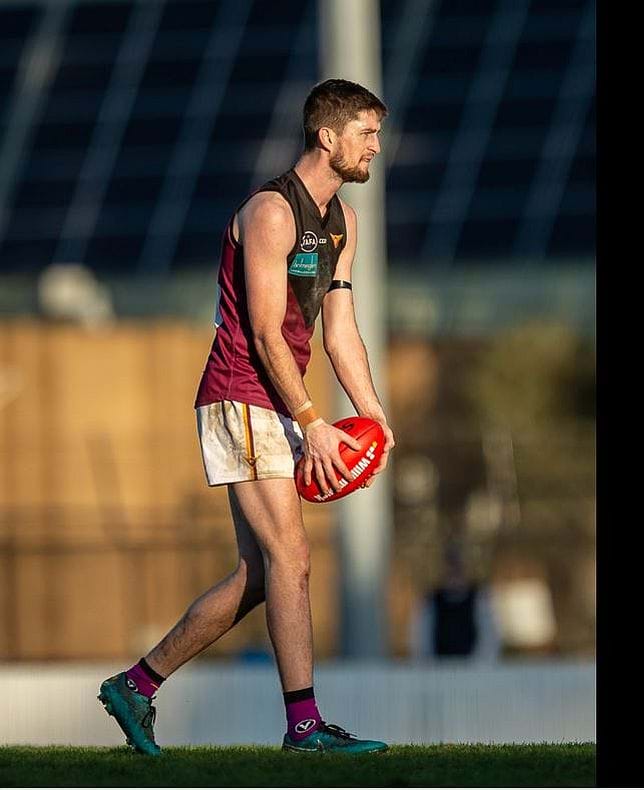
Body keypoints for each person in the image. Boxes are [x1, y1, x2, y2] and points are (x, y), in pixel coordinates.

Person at [97, 79, 398, 756]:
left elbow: (340, 332)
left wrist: (374, 415)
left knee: (260, 576)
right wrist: (314, 421)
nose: (376, 146)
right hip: (239, 394)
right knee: (292, 557)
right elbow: (264, 334)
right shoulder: (270, 212)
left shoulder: (343, 222)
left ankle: (136, 686)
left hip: (276, 401)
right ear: (327, 135)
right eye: (367, 132)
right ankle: (305, 728)